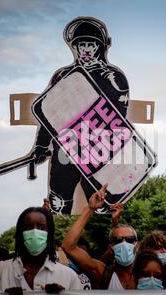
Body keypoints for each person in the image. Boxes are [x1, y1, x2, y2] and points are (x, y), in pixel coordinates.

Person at [30, 17, 130, 214]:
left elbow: (118, 119)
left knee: (104, 207)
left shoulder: (113, 76)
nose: (86, 49)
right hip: (65, 151)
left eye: (90, 44)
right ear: (74, 46)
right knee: (59, 205)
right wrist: (41, 146)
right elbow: (48, 114)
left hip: (99, 152)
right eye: (81, 44)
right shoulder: (62, 76)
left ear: (99, 47)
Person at [0, 206, 82, 295]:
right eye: (28, 227)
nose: (35, 231)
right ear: (20, 233)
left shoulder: (68, 275)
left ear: (49, 232)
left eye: (41, 227)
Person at [62, 184, 138, 289]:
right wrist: (90, 208)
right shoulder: (101, 272)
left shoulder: (149, 273)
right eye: (118, 240)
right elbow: (68, 247)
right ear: (111, 246)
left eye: (130, 239)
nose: (124, 244)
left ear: (137, 244)